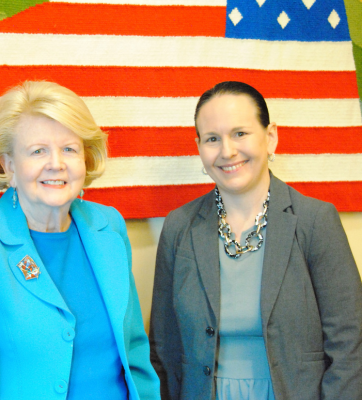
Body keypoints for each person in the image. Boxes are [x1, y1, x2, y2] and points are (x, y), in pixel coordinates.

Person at [0, 81, 160, 400]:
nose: (56, 163)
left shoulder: (108, 224)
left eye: (69, 148)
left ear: (85, 158)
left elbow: (135, 347)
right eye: (38, 150)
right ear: (8, 165)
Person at [149, 81, 362, 399]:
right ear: (199, 147)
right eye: (212, 139)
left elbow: (351, 346)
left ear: (270, 137)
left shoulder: (314, 221)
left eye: (240, 133)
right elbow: (163, 348)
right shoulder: (179, 227)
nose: (227, 151)